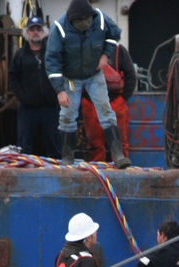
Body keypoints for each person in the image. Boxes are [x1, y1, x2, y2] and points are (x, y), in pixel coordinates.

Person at [45, 0, 131, 169]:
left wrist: (106, 55)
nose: (85, 22)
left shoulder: (101, 19)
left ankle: (118, 155)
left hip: (94, 75)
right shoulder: (59, 28)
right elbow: (52, 61)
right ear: (72, 20)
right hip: (70, 78)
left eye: (87, 18)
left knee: (106, 112)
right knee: (68, 115)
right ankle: (67, 156)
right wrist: (59, 90)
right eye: (80, 20)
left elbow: (114, 35)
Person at [8, 16, 60, 158]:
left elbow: (62, 73)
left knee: (54, 144)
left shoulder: (52, 53)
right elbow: (13, 78)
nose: (35, 32)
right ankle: (22, 174)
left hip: (51, 107)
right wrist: (23, 97)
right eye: (32, 30)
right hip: (28, 109)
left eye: (38, 29)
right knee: (24, 145)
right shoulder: (20, 55)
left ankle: (56, 174)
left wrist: (57, 94)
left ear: (44, 32)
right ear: (27, 33)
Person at [81, 42, 136, 163]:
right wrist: (83, 99)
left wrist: (122, 99)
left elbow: (131, 75)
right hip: (91, 103)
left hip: (116, 102)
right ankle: (97, 174)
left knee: (120, 143)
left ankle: (122, 172)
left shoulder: (119, 50)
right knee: (94, 144)